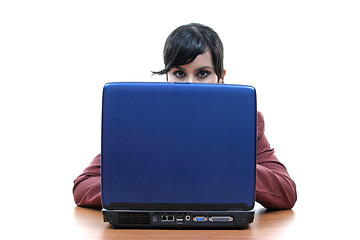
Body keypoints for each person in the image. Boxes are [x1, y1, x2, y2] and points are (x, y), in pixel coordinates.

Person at [73, 23, 297, 210]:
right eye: (180, 73)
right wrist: (140, 178)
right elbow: (83, 185)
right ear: (168, 76)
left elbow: (286, 192)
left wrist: (233, 165)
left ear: (220, 77)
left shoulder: (246, 123)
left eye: (202, 74)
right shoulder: (142, 123)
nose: (190, 85)